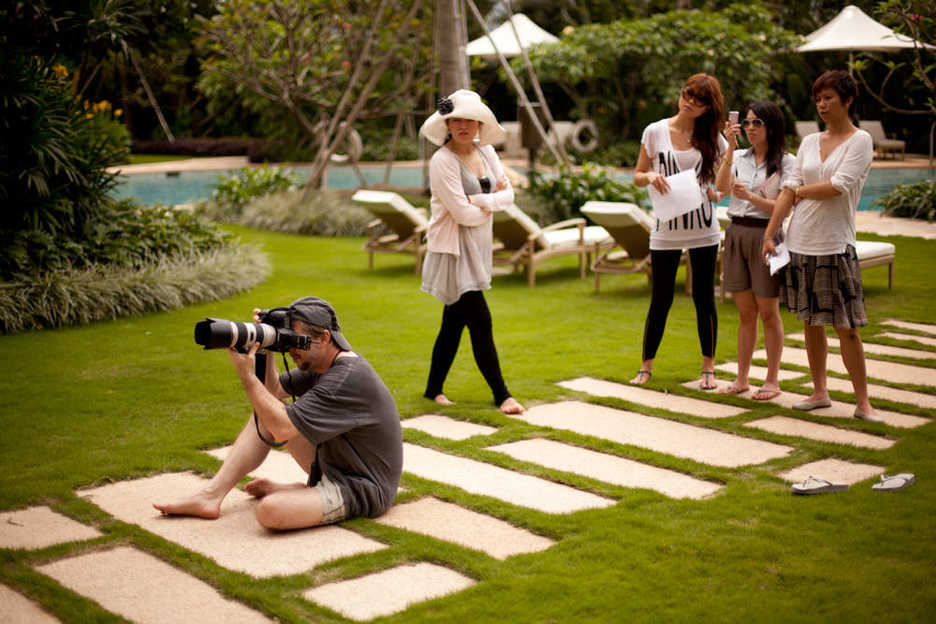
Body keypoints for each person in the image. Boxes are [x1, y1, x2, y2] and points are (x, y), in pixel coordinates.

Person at [154, 296, 403, 528]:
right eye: (287, 340)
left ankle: (301, 493)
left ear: (324, 338)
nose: (291, 350)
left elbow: (282, 428)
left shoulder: (346, 377)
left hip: (361, 487)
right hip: (336, 464)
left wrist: (247, 377)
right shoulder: (321, 363)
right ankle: (210, 496)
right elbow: (272, 391)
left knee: (270, 511)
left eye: (296, 341)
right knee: (267, 414)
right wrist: (266, 346)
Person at [762, 70, 881, 422]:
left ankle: (863, 403)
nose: (822, 104)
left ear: (848, 100)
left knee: (847, 328)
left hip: (835, 243)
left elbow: (839, 185)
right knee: (811, 322)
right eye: (818, 99)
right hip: (801, 242)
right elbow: (789, 189)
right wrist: (771, 232)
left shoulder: (860, 141)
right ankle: (819, 392)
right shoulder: (810, 142)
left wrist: (797, 191)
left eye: (828, 97)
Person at [418, 89, 524, 414]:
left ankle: (432, 389)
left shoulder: (487, 151)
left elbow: (510, 196)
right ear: (448, 123)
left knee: (453, 324)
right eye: (457, 119)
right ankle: (502, 395)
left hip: (478, 247)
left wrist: (480, 201)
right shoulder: (442, 161)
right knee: (480, 321)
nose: (464, 125)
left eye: (470, 120)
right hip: (453, 251)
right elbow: (462, 215)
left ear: (479, 124)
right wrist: (490, 203)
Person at [630, 73, 729, 390]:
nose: (690, 102)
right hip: (665, 227)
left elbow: (723, 186)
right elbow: (637, 174)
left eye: (699, 100)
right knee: (660, 298)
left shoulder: (713, 136)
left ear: (707, 108)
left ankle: (709, 368)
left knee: (703, 298)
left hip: (703, 227)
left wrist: (720, 184)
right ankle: (645, 367)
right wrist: (650, 178)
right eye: (688, 94)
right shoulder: (655, 131)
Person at [715, 101, 795, 400]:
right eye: (746, 123)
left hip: (767, 234)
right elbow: (721, 188)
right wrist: (729, 146)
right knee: (746, 313)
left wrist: (750, 195)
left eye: (756, 123)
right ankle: (742, 378)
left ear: (771, 126)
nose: (750, 128)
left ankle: (772, 381)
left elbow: (785, 206)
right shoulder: (736, 156)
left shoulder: (787, 162)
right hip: (736, 232)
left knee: (769, 312)